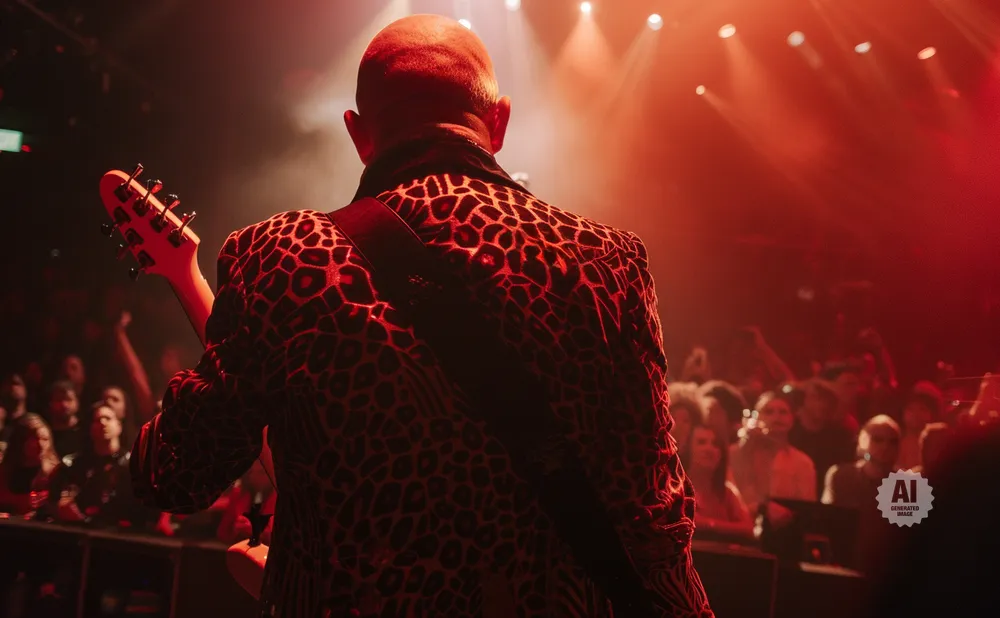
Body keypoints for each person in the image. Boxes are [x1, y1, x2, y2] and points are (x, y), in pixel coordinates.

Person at [130, 13, 713, 618]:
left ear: (358, 132)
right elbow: (655, 519)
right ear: (500, 121)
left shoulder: (284, 254)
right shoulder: (604, 262)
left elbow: (174, 476)